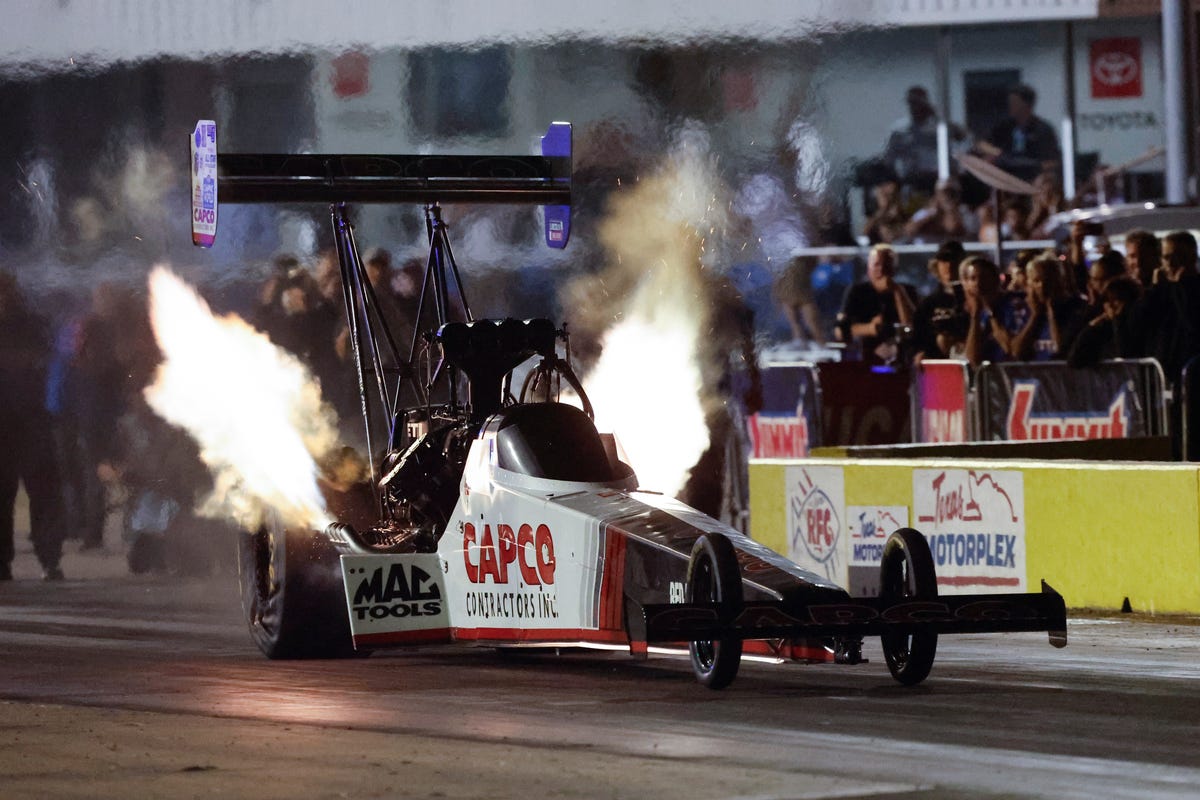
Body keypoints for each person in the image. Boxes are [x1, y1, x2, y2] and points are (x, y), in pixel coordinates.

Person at [0, 272, 64, 580]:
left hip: (30, 420)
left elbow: (46, 363)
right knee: (24, 492)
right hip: (22, 420)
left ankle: (49, 557)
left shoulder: (31, 325)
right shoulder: (33, 325)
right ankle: (14, 560)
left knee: (42, 492)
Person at [881, 86, 969, 200]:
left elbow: (962, 137)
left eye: (918, 103)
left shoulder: (939, 126)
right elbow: (889, 159)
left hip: (936, 181)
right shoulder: (900, 130)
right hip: (911, 181)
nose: (915, 107)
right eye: (911, 103)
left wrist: (936, 115)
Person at [836, 244, 917, 365]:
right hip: (865, 353)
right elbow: (840, 331)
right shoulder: (857, 292)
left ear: (894, 268)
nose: (881, 270)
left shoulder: (906, 291)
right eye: (877, 264)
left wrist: (897, 292)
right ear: (869, 268)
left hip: (901, 354)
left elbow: (912, 326)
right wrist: (871, 328)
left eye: (887, 265)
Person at [979, 84, 1061, 182]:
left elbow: (1051, 162)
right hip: (1005, 175)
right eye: (1010, 102)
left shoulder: (1043, 130)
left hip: (1032, 177)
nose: (1011, 106)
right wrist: (999, 154)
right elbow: (983, 144)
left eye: (1015, 102)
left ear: (1027, 105)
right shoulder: (1005, 126)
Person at [1011, 254, 1086, 361]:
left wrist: (1052, 313)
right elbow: (1016, 352)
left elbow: (1060, 350)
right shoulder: (1024, 310)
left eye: (1048, 280)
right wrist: (1035, 316)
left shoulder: (1077, 307)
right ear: (1028, 283)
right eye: (1036, 281)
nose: (1042, 286)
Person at [1068, 276, 1146, 367]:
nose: (1111, 306)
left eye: (1116, 300)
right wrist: (1092, 325)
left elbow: (1123, 354)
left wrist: (1117, 320)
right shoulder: (1103, 329)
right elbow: (1074, 360)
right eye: (1108, 301)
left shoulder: (1136, 326)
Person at [911, 240, 968, 363]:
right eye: (944, 261)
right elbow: (918, 336)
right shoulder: (929, 303)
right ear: (936, 265)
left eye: (954, 260)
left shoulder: (973, 299)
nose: (949, 265)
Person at [961, 256, 1016, 367]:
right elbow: (972, 358)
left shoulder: (1012, 305)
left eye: (983, 277)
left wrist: (991, 312)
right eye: (973, 279)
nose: (978, 283)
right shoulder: (976, 312)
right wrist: (975, 315)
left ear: (995, 279)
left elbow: (1009, 348)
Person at [903, 178, 979, 243]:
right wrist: (931, 215)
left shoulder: (965, 212)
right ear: (937, 195)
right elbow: (909, 231)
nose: (948, 197)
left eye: (952, 193)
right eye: (944, 193)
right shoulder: (925, 213)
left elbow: (955, 230)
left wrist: (951, 212)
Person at [862, 179, 908, 244]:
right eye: (885, 195)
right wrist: (883, 209)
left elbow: (906, 229)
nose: (889, 197)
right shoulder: (874, 214)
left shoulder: (900, 208)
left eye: (891, 195)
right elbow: (864, 232)